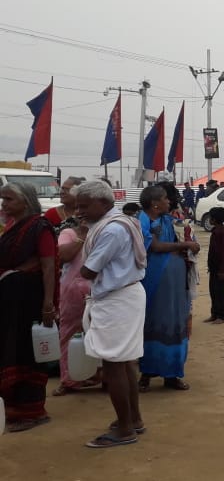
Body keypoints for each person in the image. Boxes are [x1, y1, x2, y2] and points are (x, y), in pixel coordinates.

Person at [76, 180, 148, 448]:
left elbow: (88, 270)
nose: (80, 211)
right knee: (124, 361)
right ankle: (133, 420)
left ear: (104, 203)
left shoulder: (111, 230)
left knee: (113, 364)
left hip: (117, 298)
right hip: (124, 295)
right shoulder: (118, 223)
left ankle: (125, 429)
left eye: (85, 206)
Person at [0, 182, 57, 433]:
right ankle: (12, 408)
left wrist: (48, 304)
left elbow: (48, 266)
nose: (4, 204)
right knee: (9, 349)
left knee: (26, 352)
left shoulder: (39, 227)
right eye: (3, 199)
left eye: (9, 199)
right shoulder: (11, 226)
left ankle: (32, 411)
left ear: (25, 201)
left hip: (29, 301)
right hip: (10, 300)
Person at [137, 184, 199, 392]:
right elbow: (154, 246)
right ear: (155, 204)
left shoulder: (170, 220)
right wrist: (184, 246)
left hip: (175, 282)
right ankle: (146, 373)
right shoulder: (142, 221)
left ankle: (172, 374)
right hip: (154, 280)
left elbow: (185, 238)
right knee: (151, 321)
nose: (169, 201)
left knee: (176, 322)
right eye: (165, 198)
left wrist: (190, 242)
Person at [53, 184, 102, 396]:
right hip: (72, 291)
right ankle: (68, 379)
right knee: (69, 334)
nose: (82, 215)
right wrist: (81, 235)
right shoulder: (69, 232)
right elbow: (63, 256)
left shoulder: (105, 232)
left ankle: (101, 376)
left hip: (99, 289)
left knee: (101, 333)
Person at [204, 207, 224, 324]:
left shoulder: (223, 233)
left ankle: (222, 315)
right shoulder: (215, 231)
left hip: (220, 269)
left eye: (211, 218)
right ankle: (214, 314)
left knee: (220, 292)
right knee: (213, 291)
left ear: (214, 220)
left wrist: (223, 270)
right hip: (214, 268)